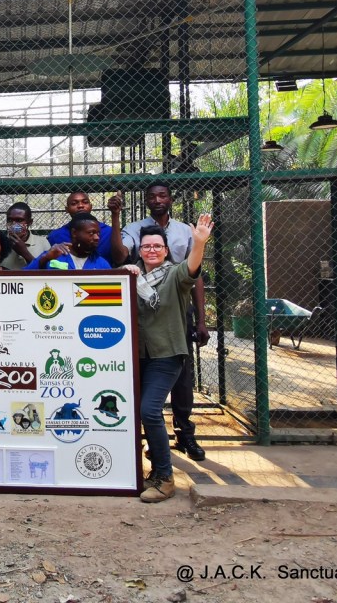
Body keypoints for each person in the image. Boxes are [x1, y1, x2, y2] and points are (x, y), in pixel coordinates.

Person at [109, 183, 209, 461]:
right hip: (143, 315)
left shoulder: (184, 232)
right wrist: (116, 217)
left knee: (182, 381)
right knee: (145, 394)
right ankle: (151, 440)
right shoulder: (134, 230)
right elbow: (119, 256)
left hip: (174, 305)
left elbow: (193, 272)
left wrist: (201, 319)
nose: (157, 200)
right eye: (151, 196)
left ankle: (185, 433)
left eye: (162, 195)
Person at [121, 214, 213, 502]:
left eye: (157, 246)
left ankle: (165, 478)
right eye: (146, 246)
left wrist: (199, 243)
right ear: (140, 250)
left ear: (165, 250)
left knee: (149, 411)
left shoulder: (174, 275)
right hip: (136, 356)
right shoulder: (129, 276)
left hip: (167, 354)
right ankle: (147, 472)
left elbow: (191, 268)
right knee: (139, 413)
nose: (151, 250)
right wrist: (124, 274)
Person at [46, 191, 114, 264]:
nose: (80, 206)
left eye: (85, 202)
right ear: (67, 209)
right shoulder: (56, 236)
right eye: (74, 203)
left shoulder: (108, 232)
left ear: (91, 207)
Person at [25, 213, 110, 271]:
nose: (97, 237)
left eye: (98, 233)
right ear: (74, 233)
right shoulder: (54, 255)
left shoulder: (101, 263)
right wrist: (45, 258)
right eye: (91, 233)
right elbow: (24, 277)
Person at [0, 202, 50, 270]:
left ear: (30, 222)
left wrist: (24, 253)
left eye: (19, 220)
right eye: (10, 220)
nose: (13, 224)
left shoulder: (42, 243)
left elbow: (47, 271)